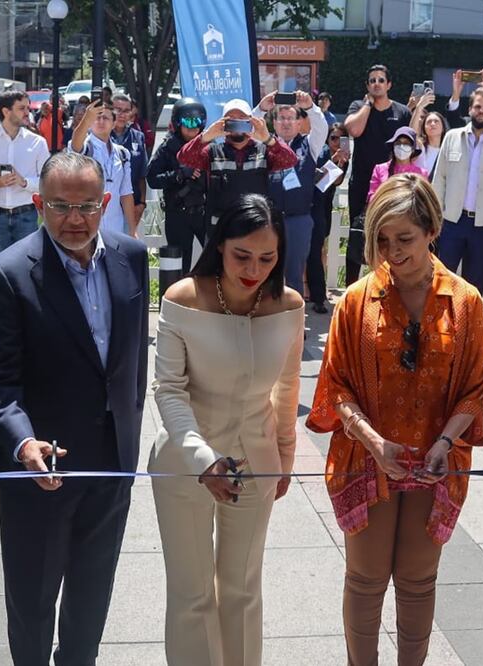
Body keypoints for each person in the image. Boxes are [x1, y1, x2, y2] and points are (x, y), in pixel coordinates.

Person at [307, 173, 483, 664]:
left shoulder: (467, 301)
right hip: (367, 458)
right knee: (366, 580)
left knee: (417, 582)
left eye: (405, 238)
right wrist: (373, 441)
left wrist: (445, 441)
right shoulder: (354, 300)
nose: (392, 251)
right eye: (382, 240)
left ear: (432, 229)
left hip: (436, 461)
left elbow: (476, 387)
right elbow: (336, 386)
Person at [0, 150, 150, 664]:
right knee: (31, 601)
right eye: (61, 206)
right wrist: (23, 441)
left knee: (92, 596)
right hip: (41, 468)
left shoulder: (131, 257)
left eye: (88, 206)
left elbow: (133, 360)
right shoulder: (9, 273)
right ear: (37, 204)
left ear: (105, 204)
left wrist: (130, 429)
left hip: (111, 460)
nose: (75, 219)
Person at [150, 193, 304, 665]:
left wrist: (285, 456)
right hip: (185, 459)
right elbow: (169, 390)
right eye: (242, 255)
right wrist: (202, 458)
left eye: (267, 257)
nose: (253, 268)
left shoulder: (287, 304)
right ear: (220, 245)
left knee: (242, 588)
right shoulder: (183, 297)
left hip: (256, 460)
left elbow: (288, 386)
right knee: (192, 592)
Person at [431, 85, 483, 295]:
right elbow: (440, 178)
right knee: (442, 279)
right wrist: (436, 214)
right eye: (477, 106)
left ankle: (468, 326)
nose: (481, 111)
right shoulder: (452, 137)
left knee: (474, 286)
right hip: (452, 221)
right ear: (470, 109)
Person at [177, 98, 298, 228]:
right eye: (231, 119)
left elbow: (290, 160)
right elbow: (184, 157)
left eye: (242, 118)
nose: (237, 123)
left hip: (255, 228)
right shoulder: (212, 152)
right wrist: (206, 136)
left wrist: (268, 139)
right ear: (223, 123)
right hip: (222, 230)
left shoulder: (264, 151)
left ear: (251, 121)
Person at [343, 65, 412, 286]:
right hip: (362, 183)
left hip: (392, 184)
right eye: (372, 80)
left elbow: (412, 141)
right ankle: (352, 288)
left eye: (381, 80)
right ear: (367, 85)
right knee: (358, 235)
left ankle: (388, 285)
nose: (376, 84)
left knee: (390, 235)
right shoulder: (358, 106)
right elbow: (354, 130)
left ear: (389, 85)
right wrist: (367, 105)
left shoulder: (402, 112)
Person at [256, 90, 328, 292]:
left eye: (290, 118)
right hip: (270, 219)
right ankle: (268, 317)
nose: (286, 123)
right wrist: (262, 108)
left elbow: (322, 127)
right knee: (266, 271)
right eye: (281, 118)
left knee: (294, 274)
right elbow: (249, 129)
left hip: (299, 219)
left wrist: (310, 107)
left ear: (299, 123)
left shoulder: (309, 145)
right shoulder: (264, 144)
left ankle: (294, 319)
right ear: (274, 123)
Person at [0, 90, 48, 255]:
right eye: (22, 108)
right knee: (2, 268)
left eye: (28, 108)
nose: (28, 113)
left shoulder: (38, 143)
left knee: (27, 266)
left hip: (27, 215)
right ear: (6, 111)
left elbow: (46, 182)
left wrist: (24, 182)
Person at [147, 97, 209, 275]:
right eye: (188, 120)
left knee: (218, 258)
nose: (193, 126)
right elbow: (152, 178)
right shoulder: (168, 148)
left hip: (203, 212)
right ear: (177, 122)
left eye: (198, 121)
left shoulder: (207, 146)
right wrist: (179, 174)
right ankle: (176, 301)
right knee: (178, 266)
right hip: (178, 214)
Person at [69, 101, 137, 237]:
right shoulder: (86, 147)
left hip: (115, 226)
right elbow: (75, 146)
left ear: (113, 123)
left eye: (105, 118)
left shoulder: (122, 153)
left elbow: (126, 193)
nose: (100, 121)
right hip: (87, 224)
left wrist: (132, 229)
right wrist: (86, 119)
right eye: (96, 118)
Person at [307, 123, 350, 314]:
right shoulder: (321, 152)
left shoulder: (344, 158)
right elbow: (314, 182)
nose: (336, 142)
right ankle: (312, 294)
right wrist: (332, 161)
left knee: (317, 252)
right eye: (333, 138)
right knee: (308, 253)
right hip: (308, 206)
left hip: (324, 209)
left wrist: (340, 162)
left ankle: (317, 295)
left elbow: (338, 181)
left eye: (341, 138)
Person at [111, 93, 148, 224]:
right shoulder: (101, 136)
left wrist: (142, 203)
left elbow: (142, 175)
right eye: (118, 110)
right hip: (107, 206)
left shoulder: (138, 137)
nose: (122, 114)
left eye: (126, 110)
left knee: (128, 242)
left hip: (131, 204)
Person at [367, 126, 428, 201]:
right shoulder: (380, 169)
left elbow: (423, 200)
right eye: (398, 143)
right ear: (393, 146)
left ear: (413, 149)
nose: (402, 146)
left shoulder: (421, 173)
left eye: (406, 143)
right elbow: (372, 197)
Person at [415, 111, 447, 175]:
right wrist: (419, 108)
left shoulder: (448, 150)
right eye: (429, 122)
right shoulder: (420, 147)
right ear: (424, 128)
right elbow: (412, 133)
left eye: (436, 121)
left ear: (443, 127)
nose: (432, 124)